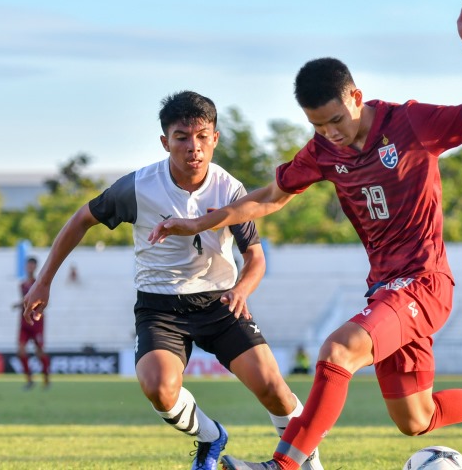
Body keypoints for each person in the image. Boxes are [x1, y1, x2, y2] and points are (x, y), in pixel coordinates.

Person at [150, 3, 462, 469]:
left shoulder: (410, 123)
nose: (330, 133)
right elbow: (271, 196)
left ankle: (284, 465)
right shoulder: (323, 149)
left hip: (424, 282)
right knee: (416, 418)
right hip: (385, 288)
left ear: (356, 97)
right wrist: (201, 222)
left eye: (336, 120)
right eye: (317, 125)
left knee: (338, 349)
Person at [22, 91, 322, 470]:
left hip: (220, 302)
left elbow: (256, 257)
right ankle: (211, 436)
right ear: (165, 142)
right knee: (159, 389)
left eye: (201, 136)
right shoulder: (138, 187)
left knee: (273, 389)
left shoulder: (229, 188)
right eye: (181, 137)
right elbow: (82, 218)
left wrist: (242, 289)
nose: (192, 147)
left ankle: (308, 461)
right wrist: (44, 280)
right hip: (159, 306)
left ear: (215, 138)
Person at [13, 256, 51, 389]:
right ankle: (29, 380)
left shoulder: (39, 284)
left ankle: (46, 379)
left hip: (36, 322)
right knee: (21, 351)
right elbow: (25, 301)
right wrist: (19, 305)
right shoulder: (22, 285)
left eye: (32, 265)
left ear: (35, 267)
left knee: (39, 351)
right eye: (28, 265)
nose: (30, 267)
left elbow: (39, 302)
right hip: (24, 322)